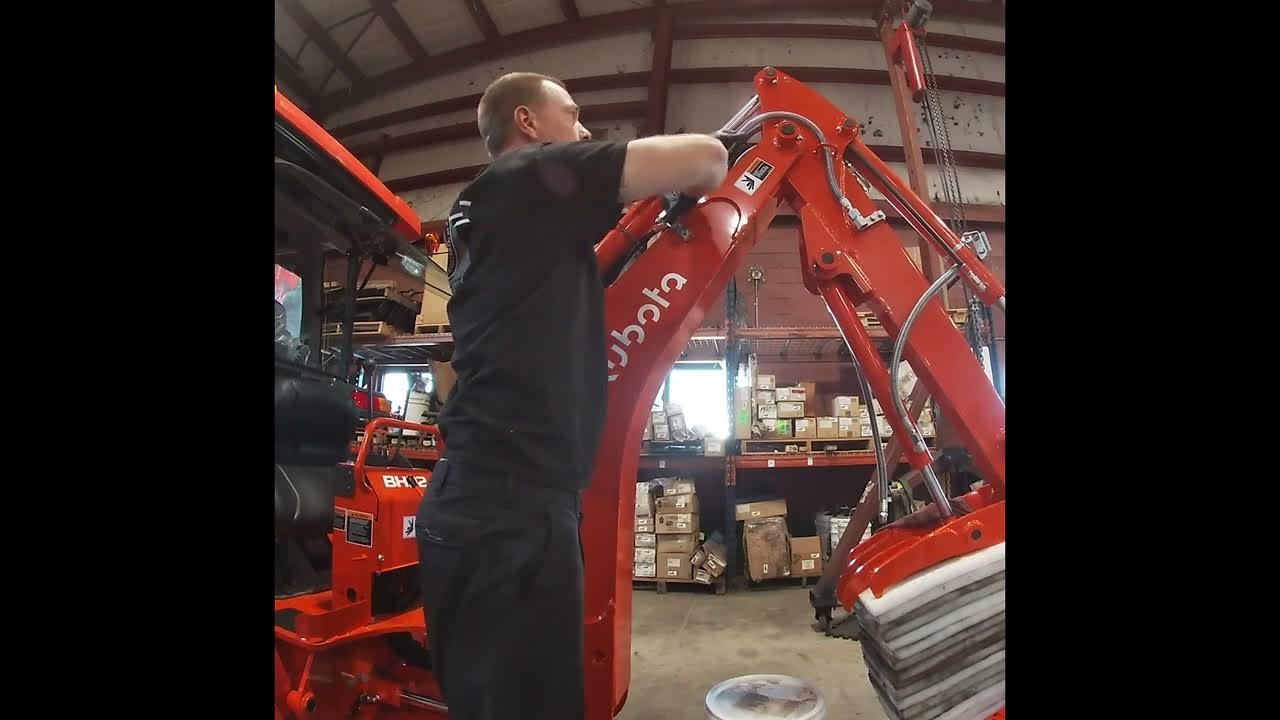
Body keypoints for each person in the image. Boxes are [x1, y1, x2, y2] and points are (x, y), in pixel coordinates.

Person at [414, 72, 728, 720]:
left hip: (489, 502)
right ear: (526, 122)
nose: (583, 132)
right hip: (512, 511)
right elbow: (708, 159)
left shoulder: (495, 218)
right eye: (574, 115)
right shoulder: (527, 179)